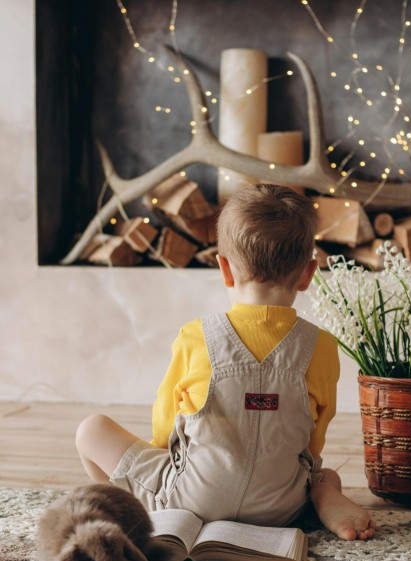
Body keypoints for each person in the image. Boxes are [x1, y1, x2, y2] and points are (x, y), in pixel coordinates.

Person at [76, 183, 376, 541]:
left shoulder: (195, 336)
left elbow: (165, 425)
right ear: (309, 274)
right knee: (325, 475)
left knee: (90, 430)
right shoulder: (322, 346)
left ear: (224, 269)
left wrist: (160, 462)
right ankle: (324, 496)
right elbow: (315, 438)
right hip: (282, 506)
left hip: (188, 498)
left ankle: (127, 511)